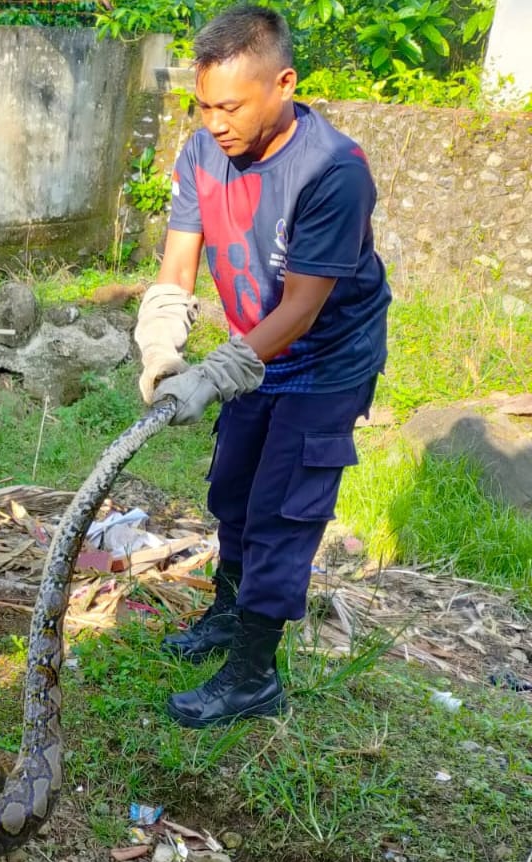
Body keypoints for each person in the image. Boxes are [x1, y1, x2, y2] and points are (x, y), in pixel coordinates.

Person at [133, 5, 391, 728]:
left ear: (284, 83)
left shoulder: (333, 171)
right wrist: (161, 343)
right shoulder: (202, 152)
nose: (215, 121)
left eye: (231, 106)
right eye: (204, 104)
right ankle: (225, 614)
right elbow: (179, 262)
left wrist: (213, 375)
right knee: (234, 489)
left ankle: (252, 674)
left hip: (326, 361)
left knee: (283, 510)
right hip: (255, 352)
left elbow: (304, 308)